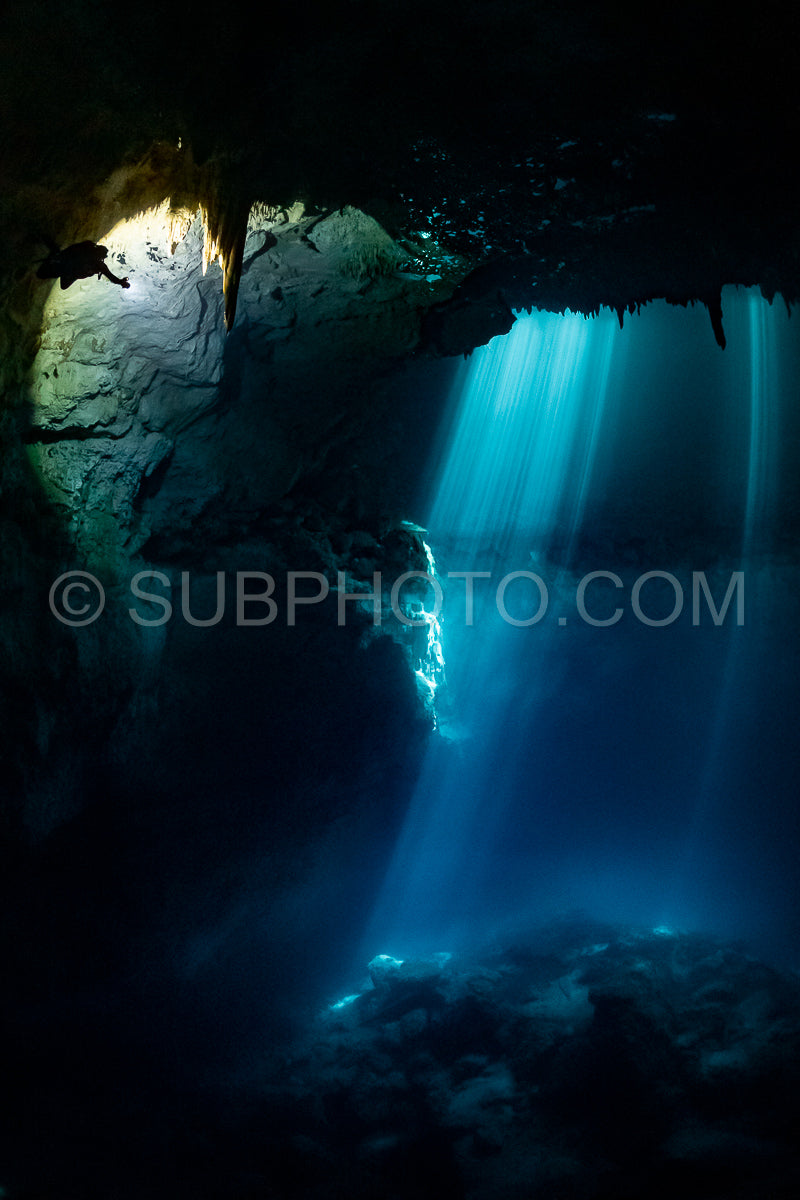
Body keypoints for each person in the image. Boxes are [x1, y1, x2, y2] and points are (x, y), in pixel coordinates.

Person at [36, 240, 130, 289]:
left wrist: (120, 282)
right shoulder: (86, 251)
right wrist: (59, 256)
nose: (100, 258)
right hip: (66, 267)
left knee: (64, 286)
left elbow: (111, 277)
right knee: (41, 274)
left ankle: (55, 253)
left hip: (71, 273)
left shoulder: (100, 265)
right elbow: (72, 250)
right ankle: (54, 251)